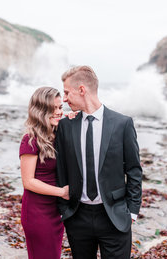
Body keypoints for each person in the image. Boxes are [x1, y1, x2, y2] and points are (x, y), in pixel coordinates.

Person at [56, 66, 142, 259]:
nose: (64, 99)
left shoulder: (122, 124)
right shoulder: (65, 126)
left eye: (67, 92)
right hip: (77, 217)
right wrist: (64, 211)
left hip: (115, 217)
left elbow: (134, 170)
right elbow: (60, 170)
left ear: (81, 90)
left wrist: (132, 212)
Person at [19, 86, 69, 259]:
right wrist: (62, 192)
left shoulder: (57, 133)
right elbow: (28, 181)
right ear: (40, 110)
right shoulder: (30, 140)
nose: (58, 112)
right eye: (52, 108)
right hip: (37, 212)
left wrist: (71, 119)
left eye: (60, 107)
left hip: (55, 210)